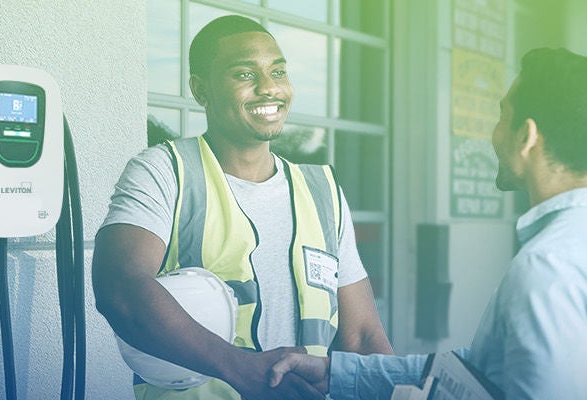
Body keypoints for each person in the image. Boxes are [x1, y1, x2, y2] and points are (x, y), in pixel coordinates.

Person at [268, 47, 587, 399]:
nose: (493, 134)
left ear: (526, 136)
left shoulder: (550, 265)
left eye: (502, 116)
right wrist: (333, 373)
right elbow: (479, 370)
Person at [94, 15, 393, 400]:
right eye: (244, 74)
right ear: (201, 91)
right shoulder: (164, 172)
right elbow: (119, 287)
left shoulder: (323, 190)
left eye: (278, 71)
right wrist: (244, 370)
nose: (269, 88)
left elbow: (364, 335)